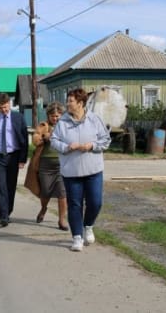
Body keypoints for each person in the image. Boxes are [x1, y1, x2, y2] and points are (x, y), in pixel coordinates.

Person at [50, 88, 111, 251]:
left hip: (93, 170)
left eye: (70, 101)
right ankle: (77, 237)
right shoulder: (62, 122)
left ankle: (88, 226)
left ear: (80, 103)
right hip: (71, 172)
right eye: (68, 100)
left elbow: (106, 140)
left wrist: (92, 145)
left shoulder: (95, 119)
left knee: (95, 202)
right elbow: (53, 141)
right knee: (75, 204)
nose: (67, 104)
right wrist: (66, 147)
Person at [0, 93, 28, 227]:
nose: (4, 110)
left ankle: (8, 211)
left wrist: (22, 159)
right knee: (1, 186)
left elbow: (24, 139)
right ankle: (3, 216)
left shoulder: (18, 118)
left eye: (6, 107)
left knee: (11, 186)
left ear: (10, 104)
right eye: (1, 108)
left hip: (13, 156)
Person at [32, 102, 68, 231]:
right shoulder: (43, 126)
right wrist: (43, 137)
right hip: (45, 165)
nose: (55, 118)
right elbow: (35, 140)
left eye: (58, 116)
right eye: (53, 116)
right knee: (45, 192)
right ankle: (43, 209)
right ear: (48, 116)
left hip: (62, 165)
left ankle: (62, 220)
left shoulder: (66, 127)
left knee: (62, 193)